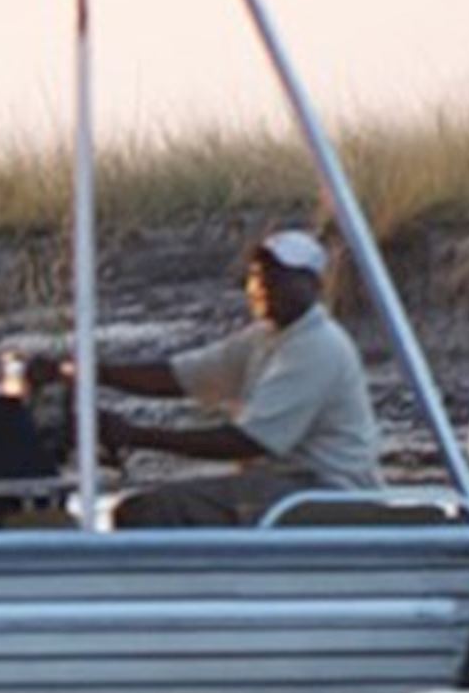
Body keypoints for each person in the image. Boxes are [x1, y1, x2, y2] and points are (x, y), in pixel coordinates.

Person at [31, 225, 385, 530]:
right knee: (157, 506)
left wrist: (135, 435)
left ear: (313, 284)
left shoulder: (316, 346)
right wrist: (80, 370)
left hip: (320, 492)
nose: (264, 284)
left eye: (279, 275)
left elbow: (246, 441)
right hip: (280, 487)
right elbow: (176, 376)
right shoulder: (263, 338)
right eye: (258, 274)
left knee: (150, 512)